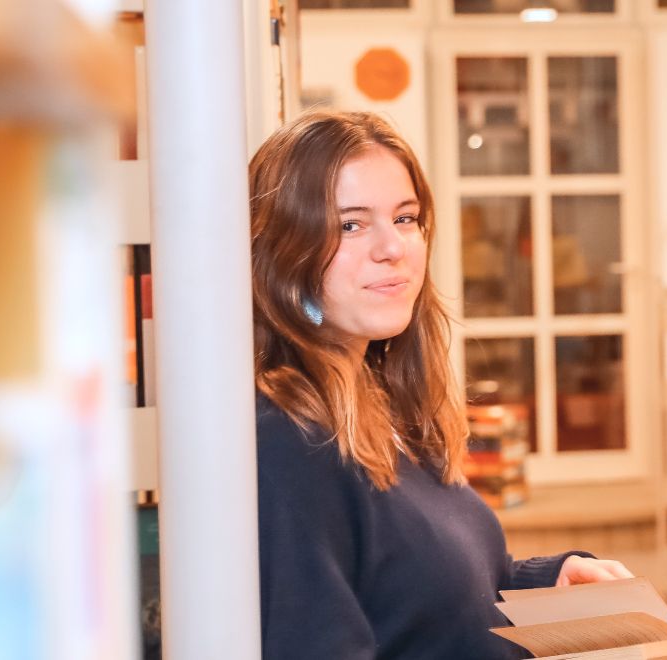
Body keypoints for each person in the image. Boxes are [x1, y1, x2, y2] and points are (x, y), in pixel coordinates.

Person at [249, 110, 633, 658]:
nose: (393, 248)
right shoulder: (289, 442)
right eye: (350, 225)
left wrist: (548, 582)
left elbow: (424, 604)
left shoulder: (383, 400)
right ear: (285, 253)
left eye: (405, 218)